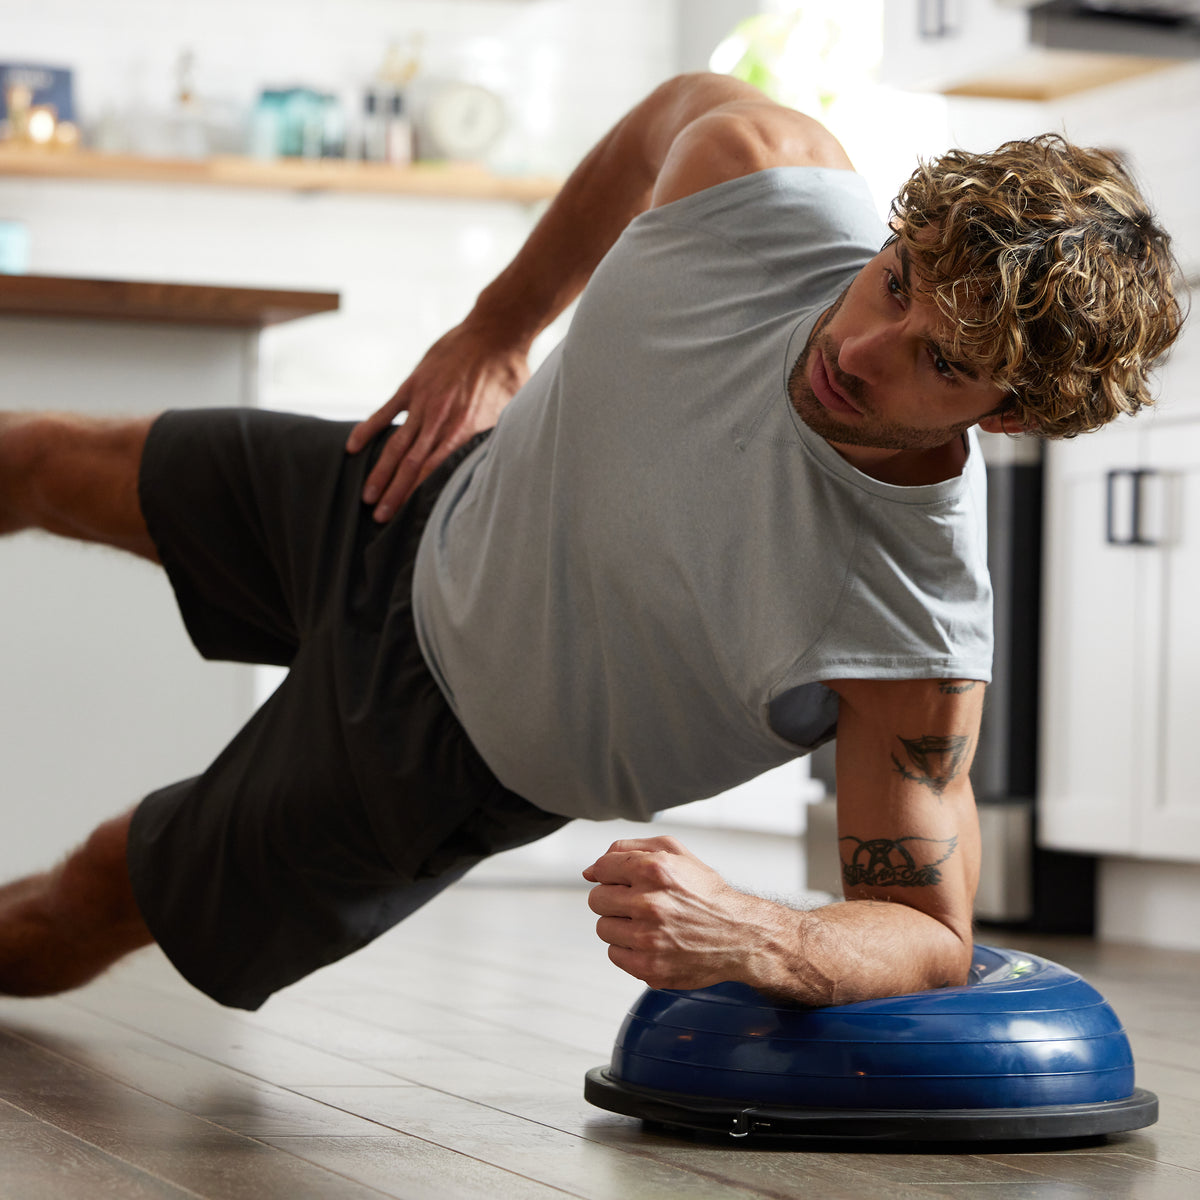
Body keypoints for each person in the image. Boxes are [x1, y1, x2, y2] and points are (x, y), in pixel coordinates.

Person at [0, 73, 1183, 1012]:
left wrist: (760, 934)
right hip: (414, 502)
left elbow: (929, 932)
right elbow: (659, 120)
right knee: (36, 456)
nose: (865, 346)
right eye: (897, 281)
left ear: (1009, 414)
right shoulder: (762, 178)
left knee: (89, 897)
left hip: (433, 759)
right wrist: (499, 328)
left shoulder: (911, 627)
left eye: (942, 361)